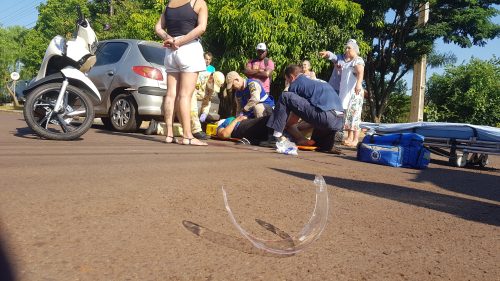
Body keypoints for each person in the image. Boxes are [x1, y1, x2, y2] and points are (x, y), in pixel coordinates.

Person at [154, 0, 208, 146]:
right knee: (185, 95)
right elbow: (201, 28)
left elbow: (158, 28)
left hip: (171, 51)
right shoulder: (198, 2)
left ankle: (169, 135)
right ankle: (187, 136)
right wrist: (181, 41)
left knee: (171, 94)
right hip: (188, 48)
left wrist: (169, 39)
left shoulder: (169, 4)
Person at [264, 64, 344, 151]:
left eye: (287, 80)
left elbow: (293, 120)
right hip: (339, 120)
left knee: (285, 96)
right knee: (319, 145)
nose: (288, 83)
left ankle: (275, 137)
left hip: (325, 117)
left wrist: (284, 126)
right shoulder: (316, 82)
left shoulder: (296, 83)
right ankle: (328, 143)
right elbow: (299, 109)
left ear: (291, 77)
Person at [145, 71, 225, 138]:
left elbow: (207, 102)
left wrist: (204, 113)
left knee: (186, 129)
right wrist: (197, 129)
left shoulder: (211, 87)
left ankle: (157, 127)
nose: (213, 87)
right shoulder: (199, 77)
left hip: (186, 100)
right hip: (181, 98)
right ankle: (195, 130)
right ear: (211, 77)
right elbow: (192, 102)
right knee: (191, 127)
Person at [338, 39, 365, 146]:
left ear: (354, 49)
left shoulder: (358, 60)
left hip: (355, 92)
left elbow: (360, 72)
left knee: (355, 115)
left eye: (349, 48)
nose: (347, 50)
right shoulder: (348, 62)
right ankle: (349, 138)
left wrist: (358, 84)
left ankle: (355, 139)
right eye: (346, 48)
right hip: (346, 92)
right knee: (348, 115)